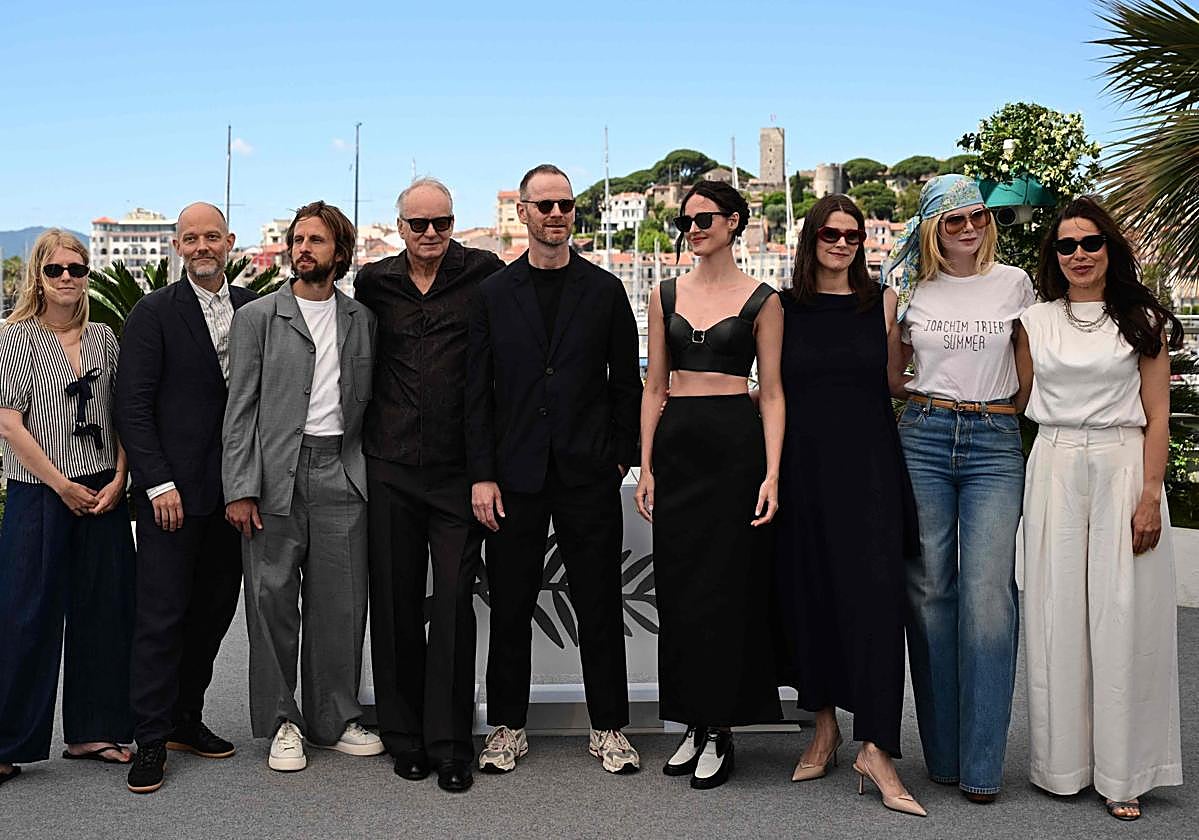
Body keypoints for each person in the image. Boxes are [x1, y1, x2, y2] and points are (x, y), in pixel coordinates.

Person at [466, 163, 642, 775]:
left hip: (587, 472)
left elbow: (628, 382)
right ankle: (507, 727)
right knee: (511, 605)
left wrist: (622, 454)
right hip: (512, 475)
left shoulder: (606, 291)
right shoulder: (491, 295)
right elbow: (476, 393)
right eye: (544, 206)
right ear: (523, 213)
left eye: (565, 205)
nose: (556, 215)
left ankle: (610, 728)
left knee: (600, 603)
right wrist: (482, 473)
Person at [1016, 196, 1184, 822]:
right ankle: (1061, 765)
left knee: (1124, 615)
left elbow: (1160, 412)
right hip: (1055, 463)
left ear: (1109, 249)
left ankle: (1125, 773)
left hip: (1123, 462)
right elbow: (1017, 398)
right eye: (1067, 245)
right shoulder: (1033, 322)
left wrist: (1149, 494)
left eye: (1091, 243)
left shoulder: (1141, 320)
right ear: (1053, 256)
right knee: (1057, 615)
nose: (1079, 255)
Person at [882, 174, 1035, 802]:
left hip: (995, 439)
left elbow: (1026, 378)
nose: (968, 227)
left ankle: (981, 766)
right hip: (922, 432)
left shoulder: (1017, 284)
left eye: (975, 215)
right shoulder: (910, 289)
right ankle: (941, 755)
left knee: (989, 597)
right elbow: (892, 377)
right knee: (928, 592)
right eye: (952, 220)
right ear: (931, 228)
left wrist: (996, 415)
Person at [773, 195, 925, 815]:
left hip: (870, 470)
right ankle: (824, 727)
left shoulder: (882, 302)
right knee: (814, 596)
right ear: (811, 239)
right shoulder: (781, 308)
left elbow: (893, 381)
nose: (842, 244)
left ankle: (878, 749)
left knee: (876, 603)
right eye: (831, 234)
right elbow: (770, 390)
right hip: (805, 470)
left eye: (853, 236)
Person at [354, 177, 504, 793]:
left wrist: (488, 470)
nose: (431, 234)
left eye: (441, 222)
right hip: (389, 464)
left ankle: (450, 743)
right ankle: (403, 737)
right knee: (392, 606)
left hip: (457, 473)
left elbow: (500, 370)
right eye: (419, 225)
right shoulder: (374, 281)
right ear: (399, 227)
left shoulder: (486, 273)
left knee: (451, 608)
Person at [222, 200, 382, 773]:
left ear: (339, 252)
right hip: (273, 478)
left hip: (343, 472)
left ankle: (332, 719)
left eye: (316, 240)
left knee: (340, 607)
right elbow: (239, 410)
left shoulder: (361, 319)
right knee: (270, 602)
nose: (303, 249)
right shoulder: (259, 317)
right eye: (297, 239)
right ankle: (282, 722)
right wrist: (239, 488)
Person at [634, 180, 783, 790]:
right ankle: (691, 722)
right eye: (687, 220)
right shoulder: (663, 293)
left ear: (735, 223)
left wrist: (773, 472)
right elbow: (653, 387)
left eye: (705, 219)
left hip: (735, 449)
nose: (693, 228)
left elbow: (771, 392)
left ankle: (719, 726)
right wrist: (645, 466)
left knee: (726, 590)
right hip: (678, 449)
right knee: (679, 591)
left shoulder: (764, 300)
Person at [118, 202, 255, 794]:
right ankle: (148, 739)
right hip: (172, 496)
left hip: (235, 496)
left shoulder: (254, 309)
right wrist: (158, 483)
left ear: (229, 242)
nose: (202, 247)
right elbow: (133, 406)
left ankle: (184, 719)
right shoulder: (154, 313)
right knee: (161, 617)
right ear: (177, 246)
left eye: (212, 237)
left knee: (214, 612)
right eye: (190, 238)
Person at [0, 229, 135, 786]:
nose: (66, 279)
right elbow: (9, 423)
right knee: (25, 615)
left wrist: (122, 477)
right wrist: (60, 485)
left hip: (103, 489)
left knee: (104, 611)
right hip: (40, 491)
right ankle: (8, 741)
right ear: (39, 275)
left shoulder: (104, 337)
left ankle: (93, 731)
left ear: (87, 275)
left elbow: (125, 411)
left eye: (76, 270)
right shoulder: (14, 337)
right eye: (55, 270)